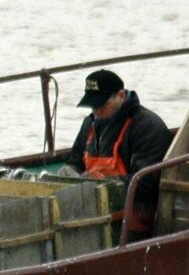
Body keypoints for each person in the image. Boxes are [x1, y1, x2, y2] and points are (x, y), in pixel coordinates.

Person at [65, 68, 172, 236]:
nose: (96, 110)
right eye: (92, 105)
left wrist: (102, 183)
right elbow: (75, 162)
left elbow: (147, 183)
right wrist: (69, 174)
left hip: (134, 219)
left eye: (101, 104)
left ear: (121, 95)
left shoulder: (147, 127)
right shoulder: (90, 123)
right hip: (94, 211)